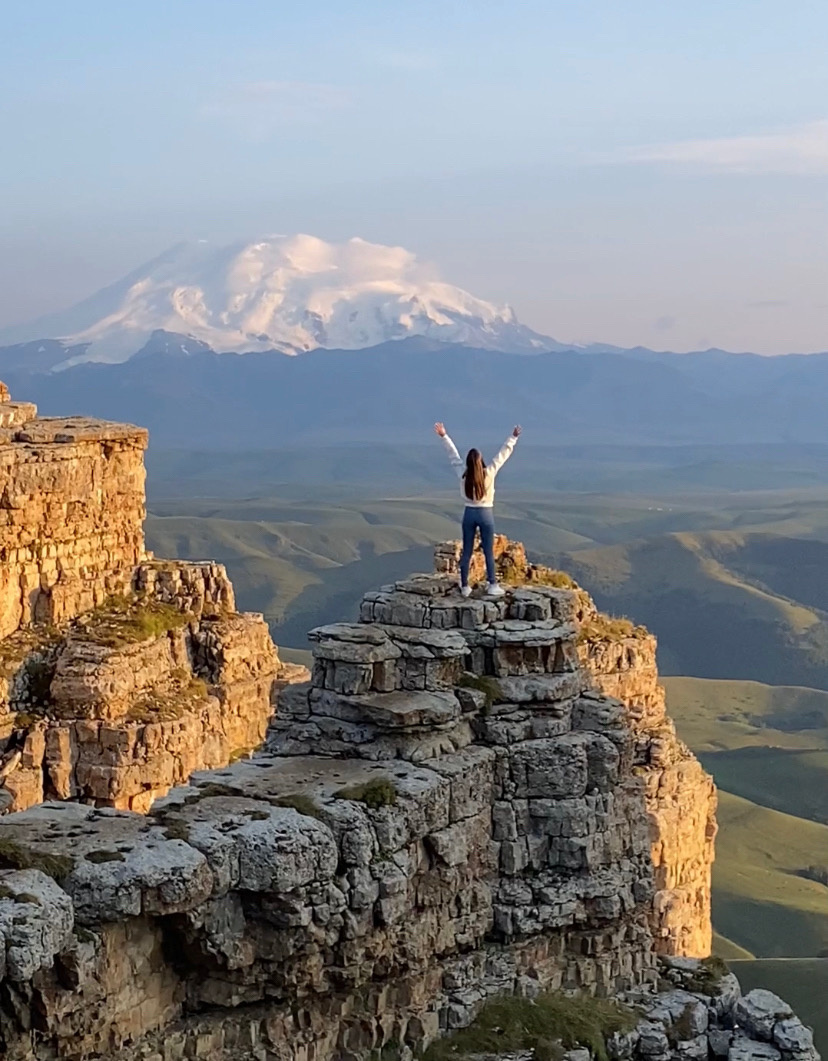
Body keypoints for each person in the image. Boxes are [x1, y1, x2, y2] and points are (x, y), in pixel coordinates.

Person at [433, 422, 522, 597]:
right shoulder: (489, 473)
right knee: (488, 551)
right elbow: (502, 455)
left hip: (469, 514)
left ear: (467, 462)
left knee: (467, 550)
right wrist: (513, 437)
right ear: (481, 461)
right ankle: (492, 585)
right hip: (485, 514)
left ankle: (465, 586)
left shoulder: (462, 474)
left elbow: (453, 455)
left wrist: (444, 436)